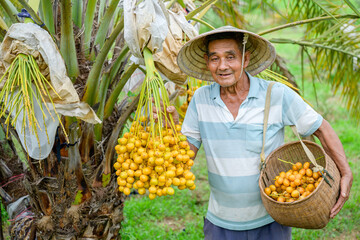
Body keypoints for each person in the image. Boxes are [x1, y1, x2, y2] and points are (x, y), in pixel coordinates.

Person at [166, 26, 353, 239]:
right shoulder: (200, 99)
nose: (223, 66)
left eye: (230, 57)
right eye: (214, 58)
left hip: (271, 220)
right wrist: (170, 130)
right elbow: (184, 159)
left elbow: (321, 128)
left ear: (245, 60)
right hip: (220, 222)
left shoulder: (276, 94)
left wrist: (345, 172)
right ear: (207, 62)